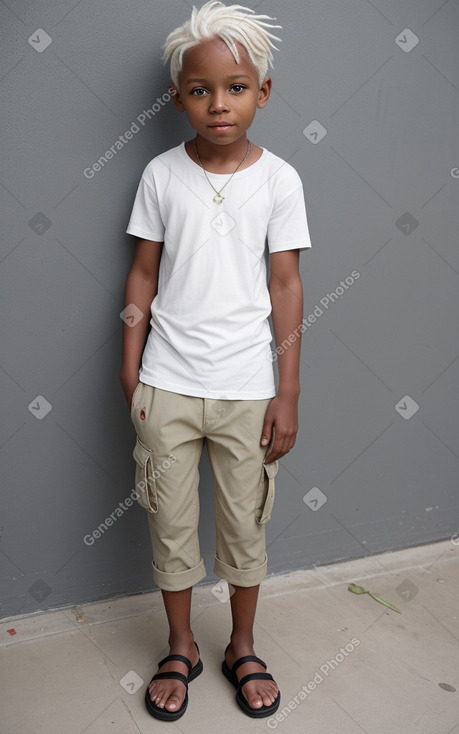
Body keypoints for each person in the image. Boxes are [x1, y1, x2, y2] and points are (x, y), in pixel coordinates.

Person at [120, 0, 312, 722]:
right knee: (168, 523)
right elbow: (142, 273)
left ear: (262, 92)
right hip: (165, 385)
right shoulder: (160, 175)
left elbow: (286, 285)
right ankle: (179, 646)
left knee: (244, 526)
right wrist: (129, 365)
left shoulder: (280, 180)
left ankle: (240, 644)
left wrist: (286, 390)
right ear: (178, 98)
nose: (218, 103)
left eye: (235, 87)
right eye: (200, 89)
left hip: (246, 388)